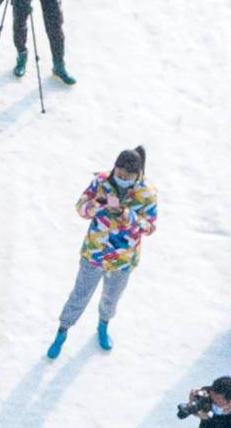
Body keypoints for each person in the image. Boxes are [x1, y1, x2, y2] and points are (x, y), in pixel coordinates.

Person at [52, 148, 157, 359]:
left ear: (138, 175)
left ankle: (103, 325)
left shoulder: (147, 194)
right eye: (119, 174)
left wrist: (126, 214)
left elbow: (149, 227)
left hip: (122, 260)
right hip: (95, 253)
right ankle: (62, 332)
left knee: (111, 298)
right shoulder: (101, 182)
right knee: (79, 295)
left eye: (128, 176)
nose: (122, 179)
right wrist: (97, 204)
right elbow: (81, 208)